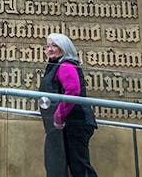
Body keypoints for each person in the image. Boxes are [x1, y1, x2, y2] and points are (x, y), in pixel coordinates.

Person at [39, 33, 98, 177]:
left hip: (74, 123)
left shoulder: (65, 65)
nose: (50, 49)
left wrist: (59, 116)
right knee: (67, 166)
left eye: (54, 45)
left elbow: (73, 90)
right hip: (66, 125)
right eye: (48, 46)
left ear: (64, 47)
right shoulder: (56, 65)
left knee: (78, 166)